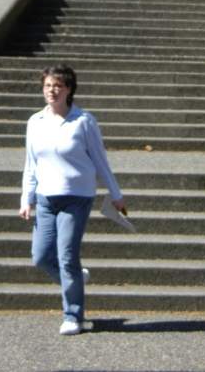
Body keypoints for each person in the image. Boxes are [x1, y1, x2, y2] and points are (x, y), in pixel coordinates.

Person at [19, 64, 126, 335]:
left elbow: (101, 161)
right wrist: (26, 198)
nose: (52, 91)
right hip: (45, 197)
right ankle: (78, 278)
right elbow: (30, 164)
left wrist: (116, 195)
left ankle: (73, 315)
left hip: (77, 197)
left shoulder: (83, 120)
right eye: (47, 86)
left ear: (69, 89)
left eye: (58, 86)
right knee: (41, 257)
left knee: (67, 256)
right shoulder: (35, 122)